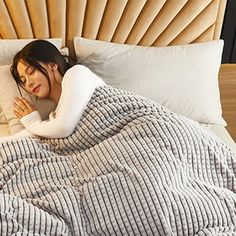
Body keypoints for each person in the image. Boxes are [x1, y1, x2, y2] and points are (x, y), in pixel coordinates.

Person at [10, 39, 105, 138]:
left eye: (31, 71)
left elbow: (63, 128)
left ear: (52, 65)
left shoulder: (77, 73)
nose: (29, 83)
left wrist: (31, 121)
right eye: (23, 80)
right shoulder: (56, 117)